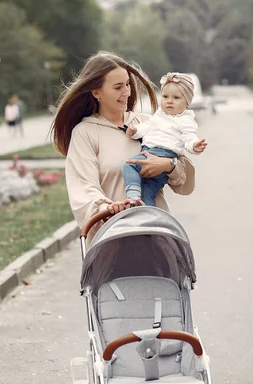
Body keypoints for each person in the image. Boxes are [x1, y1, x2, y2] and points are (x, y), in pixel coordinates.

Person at [51, 51, 195, 241]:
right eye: (118, 87)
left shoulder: (146, 123)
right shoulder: (85, 133)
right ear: (96, 92)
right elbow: (84, 187)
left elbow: (185, 186)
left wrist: (168, 166)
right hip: (113, 237)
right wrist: (107, 208)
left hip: (157, 236)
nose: (126, 92)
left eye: (127, 84)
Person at [122, 73, 207, 207]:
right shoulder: (159, 115)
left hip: (161, 154)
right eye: (165, 96)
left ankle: (132, 195)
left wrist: (194, 145)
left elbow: (189, 137)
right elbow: (147, 126)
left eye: (176, 98)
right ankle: (146, 212)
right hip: (158, 164)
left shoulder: (185, 120)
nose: (169, 101)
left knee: (130, 165)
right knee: (148, 192)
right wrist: (135, 131)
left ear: (187, 103)